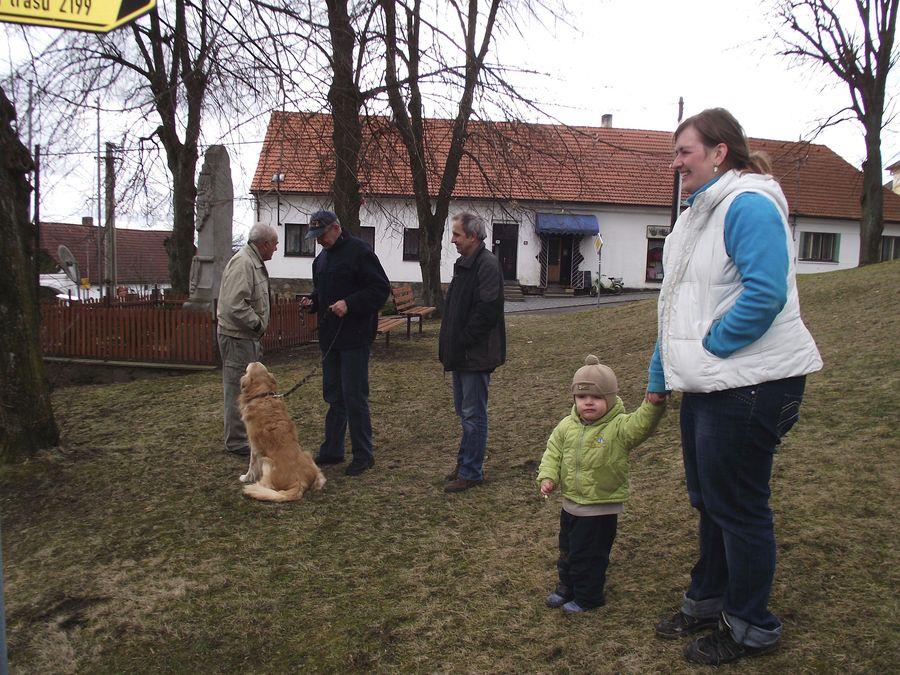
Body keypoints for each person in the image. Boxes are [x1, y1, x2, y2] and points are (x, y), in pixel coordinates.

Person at [648, 108, 823, 665]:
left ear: (720, 152)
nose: (675, 164)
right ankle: (708, 601)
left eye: (685, 152)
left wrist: (713, 345)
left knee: (739, 507)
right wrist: (661, 371)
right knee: (709, 501)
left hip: (753, 383)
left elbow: (766, 292)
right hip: (710, 383)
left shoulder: (748, 204)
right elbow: (675, 305)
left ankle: (750, 627)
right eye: (674, 153)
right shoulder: (697, 216)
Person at [537, 355, 666, 613]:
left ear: (610, 398)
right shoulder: (566, 426)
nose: (588, 402)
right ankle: (567, 587)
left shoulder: (618, 427)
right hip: (571, 504)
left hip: (599, 507)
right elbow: (553, 452)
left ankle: (588, 597)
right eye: (582, 397)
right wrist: (548, 477)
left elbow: (640, 426)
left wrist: (652, 406)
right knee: (568, 550)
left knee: (589, 555)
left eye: (596, 397)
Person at [299, 210, 390, 477]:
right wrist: (313, 302)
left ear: (336, 228)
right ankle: (333, 449)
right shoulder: (320, 260)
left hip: (355, 338)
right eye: (315, 236)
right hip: (330, 339)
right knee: (333, 396)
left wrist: (349, 304)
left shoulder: (360, 252)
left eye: (322, 235)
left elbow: (380, 290)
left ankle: (363, 454)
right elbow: (321, 292)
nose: (319, 241)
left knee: (354, 397)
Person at [438, 212, 506, 493]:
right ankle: (464, 464)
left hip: (475, 356)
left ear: (473, 236)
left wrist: (463, 340)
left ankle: (471, 471)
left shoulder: (486, 264)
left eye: (457, 234)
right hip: (462, 354)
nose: (452, 240)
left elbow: (487, 311)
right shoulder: (465, 263)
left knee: (473, 415)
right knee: (465, 413)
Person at [217, 223, 279, 457]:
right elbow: (234, 305)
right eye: (274, 244)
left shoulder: (253, 261)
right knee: (237, 388)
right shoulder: (244, 263)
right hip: (237, 337)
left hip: (245, 337)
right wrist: (257, 325)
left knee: (249, 387)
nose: (276, 248)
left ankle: (246, 436)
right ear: (264, 244)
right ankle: (236, 441)